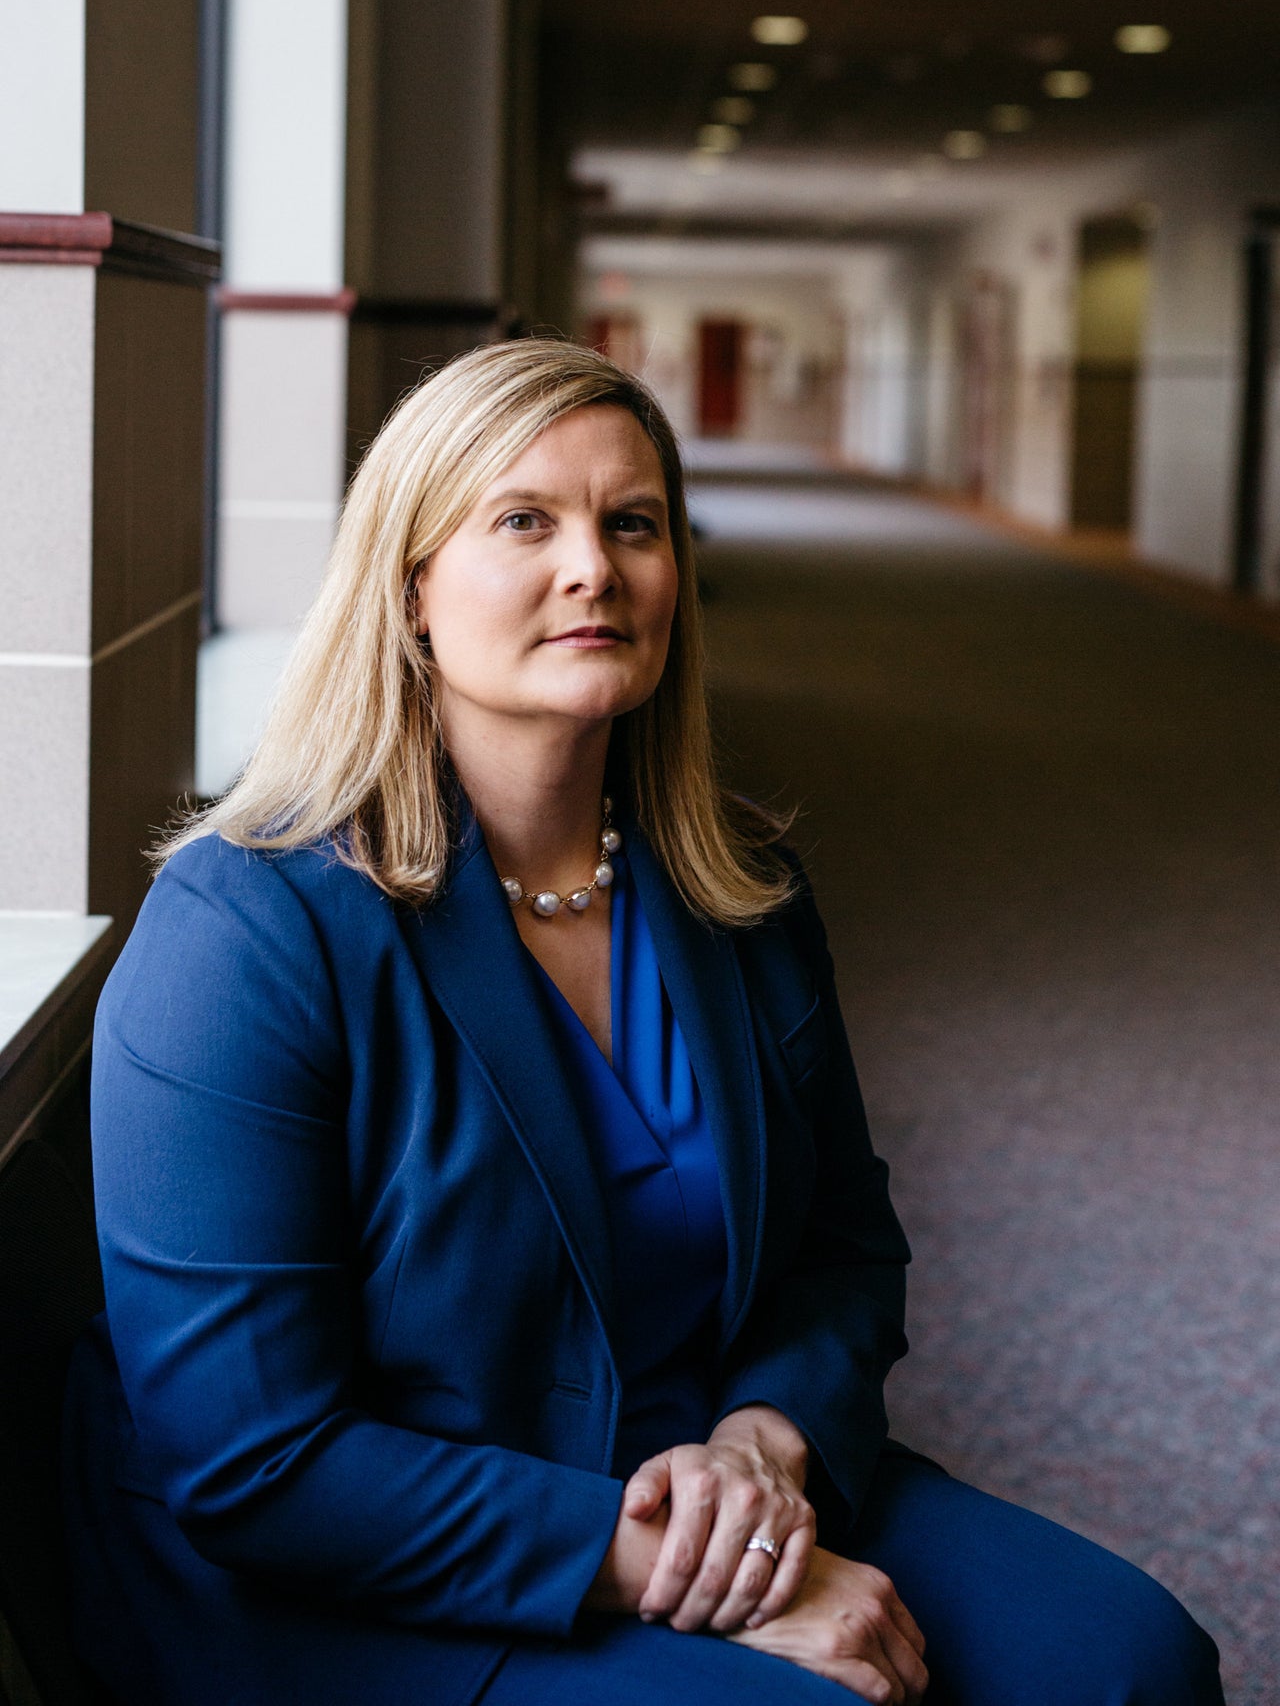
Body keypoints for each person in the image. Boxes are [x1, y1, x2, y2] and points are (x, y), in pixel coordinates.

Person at [64, 339, 1224, 1706]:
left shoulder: (741, 892)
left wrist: (765, 1446)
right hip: (384, 1560)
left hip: (708, 1477)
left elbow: (846, 1252)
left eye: (635, 524)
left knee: (1136, 1661)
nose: (593, 569)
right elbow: (252, 1459)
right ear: (410, 590)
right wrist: (665, 1567)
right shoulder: (249, 930)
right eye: (522, 522)